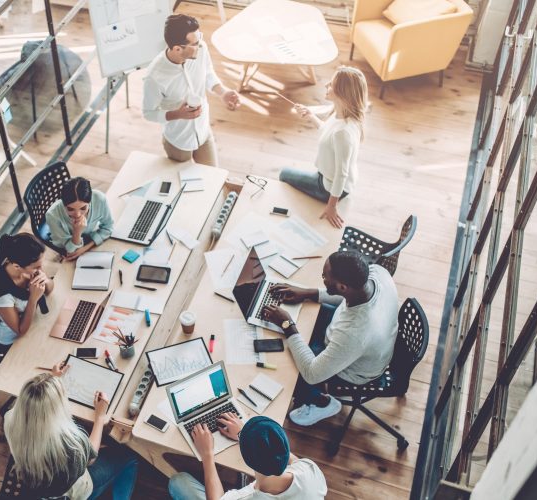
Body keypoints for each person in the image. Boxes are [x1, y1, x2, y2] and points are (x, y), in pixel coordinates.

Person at [262, 251, 399, 427]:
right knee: (303, 325)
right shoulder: (377, 273)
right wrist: (307, 293)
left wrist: (287, 324)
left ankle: (322, 403)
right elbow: (346, 298)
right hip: (352, 336)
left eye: (325, 277)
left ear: (342, 287)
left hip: (354, 371)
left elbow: (312, 374)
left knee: (289, 369)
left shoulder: (355, 333)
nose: (323, 279)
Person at [3, 364, 139, 499]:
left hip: (36, 479)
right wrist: (100, 417)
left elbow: (35, 404)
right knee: (129, 456)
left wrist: (51, 380)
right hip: (73, 491)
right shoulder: (69, 443)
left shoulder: (9, 418)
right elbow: (91, 457)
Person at [142, 14, 240, 167]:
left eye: (199, 37)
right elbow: (148, 113)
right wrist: (178, 114)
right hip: (178, 141)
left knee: (213, 178)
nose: (200, 44)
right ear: (177, 48)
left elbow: (207, 73)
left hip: (203, 132)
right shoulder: (154, 77)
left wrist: (223, 92)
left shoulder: (201, 49)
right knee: (184, 185)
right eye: (194, 43)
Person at [279, 66, 368, 228]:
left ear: (342, 92)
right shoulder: (342, 114)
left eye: (331, 84)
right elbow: (328, 133)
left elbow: (341, 174)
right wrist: (310, 116)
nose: (326, 85)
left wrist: (331, 206)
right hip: (331, 178)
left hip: (328, 187)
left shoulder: (343, 133)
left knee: (284, 174)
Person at [168, 415, 327, 499]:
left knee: (178, 482)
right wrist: (244, 435)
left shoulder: (244, 498)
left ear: (247, 458)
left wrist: (207, 454)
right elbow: (282, 452)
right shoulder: (310, 469)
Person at [0, 232, 53, 348]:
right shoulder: (3, 295)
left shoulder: (27, 269)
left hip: (32, 320)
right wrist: (33, 298)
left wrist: (45, 279)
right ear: (17, 266)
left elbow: (49, 289)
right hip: (11, 339)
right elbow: (20, 330)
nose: (40, 269)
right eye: (37, 267)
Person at [46, 176, 114, 262]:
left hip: (89, 240)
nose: (77, 215)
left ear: (90, 202)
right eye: (70, 209)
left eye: (83, 208)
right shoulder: (52, 216)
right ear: (63, 203)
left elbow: (108, 227)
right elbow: (71, 251)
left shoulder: (99, 199)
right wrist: (77, 232)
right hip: (69, 243)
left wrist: (85, 248)